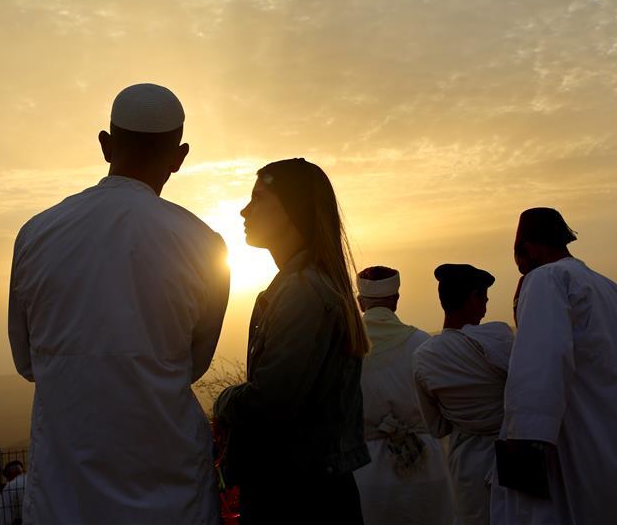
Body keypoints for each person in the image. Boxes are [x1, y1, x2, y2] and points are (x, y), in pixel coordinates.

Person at [8, 83, 230, 524]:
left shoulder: (37, 233)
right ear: (179, 156)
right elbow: (194, 363)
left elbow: (26, 360)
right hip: (172, 489)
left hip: (63, 492)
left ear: (105, 145)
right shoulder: (205, 245)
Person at [213, 158, 370, 524]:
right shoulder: (304, 285)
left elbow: (272, 401)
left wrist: (223, 402)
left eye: (259, 198)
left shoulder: (302, 292)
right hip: (314, 492)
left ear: (291, 209)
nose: (244, 209)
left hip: (297, 499)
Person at [498, 207, 617, 524]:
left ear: (530, 249)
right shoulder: (610, 288)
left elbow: (539, 369)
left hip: (568, 448)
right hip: (615, 445)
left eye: (518, 259)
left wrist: (523, 445)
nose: (520, 269)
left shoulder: (545, 279)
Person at [351, 265, 454, 525]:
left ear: (360, 303)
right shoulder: (422, 342)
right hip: (425, 464)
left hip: (366, 470)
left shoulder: (345, 346)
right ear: (396, 300)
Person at [412, 264, 514, 524]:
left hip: (468, 466)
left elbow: (436, 427)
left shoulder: (424, 358)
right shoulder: (500, 338)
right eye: (484, 299)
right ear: (473, 298)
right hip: (516, 455)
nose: (486, 308)